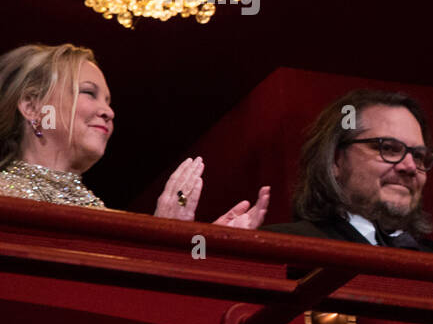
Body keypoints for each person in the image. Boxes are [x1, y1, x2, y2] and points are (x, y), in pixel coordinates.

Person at [0, 43, 268, 225]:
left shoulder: (106, 214)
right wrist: (162, 234)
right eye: (88, 93)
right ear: (32, 107)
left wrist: (208, 249)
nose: (108, 111)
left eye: (108, 100)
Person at [265, 89, 433, 257]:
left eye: (418, 156)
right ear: (335, 160)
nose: (409, 167)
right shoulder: (282, 247)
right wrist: (232, 255)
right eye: (387, 148)